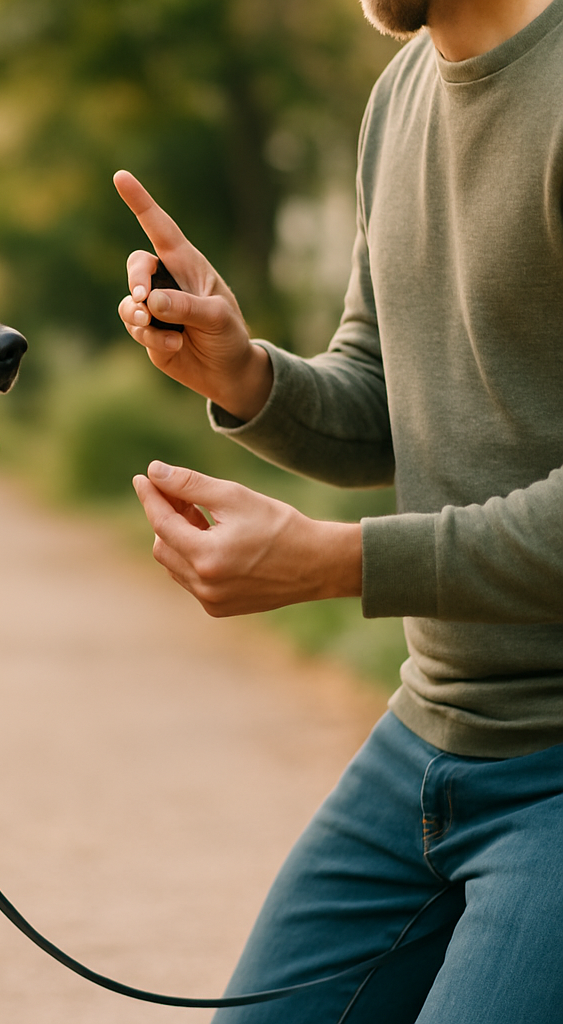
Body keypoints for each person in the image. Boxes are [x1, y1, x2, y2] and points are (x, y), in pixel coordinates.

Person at [115, 0, 563, 1020]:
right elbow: (382, 400)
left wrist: (339, 561)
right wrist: (241, 373)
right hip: (431, 736)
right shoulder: (398, 97)